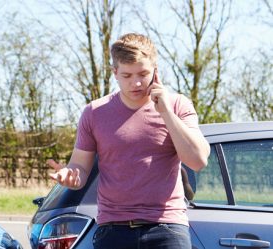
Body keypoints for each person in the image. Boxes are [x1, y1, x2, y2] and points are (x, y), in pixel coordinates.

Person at [47, 33, 210, 249]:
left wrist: (165, 112)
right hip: (113, 229)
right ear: (115, 73)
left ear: (155, 69)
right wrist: (71, 175)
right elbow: (79, 166)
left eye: (143, 73)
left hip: (167, 228)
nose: (136, 82)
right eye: (127, 75)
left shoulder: (178, 105)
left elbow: (198, 160)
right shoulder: (94, 113)